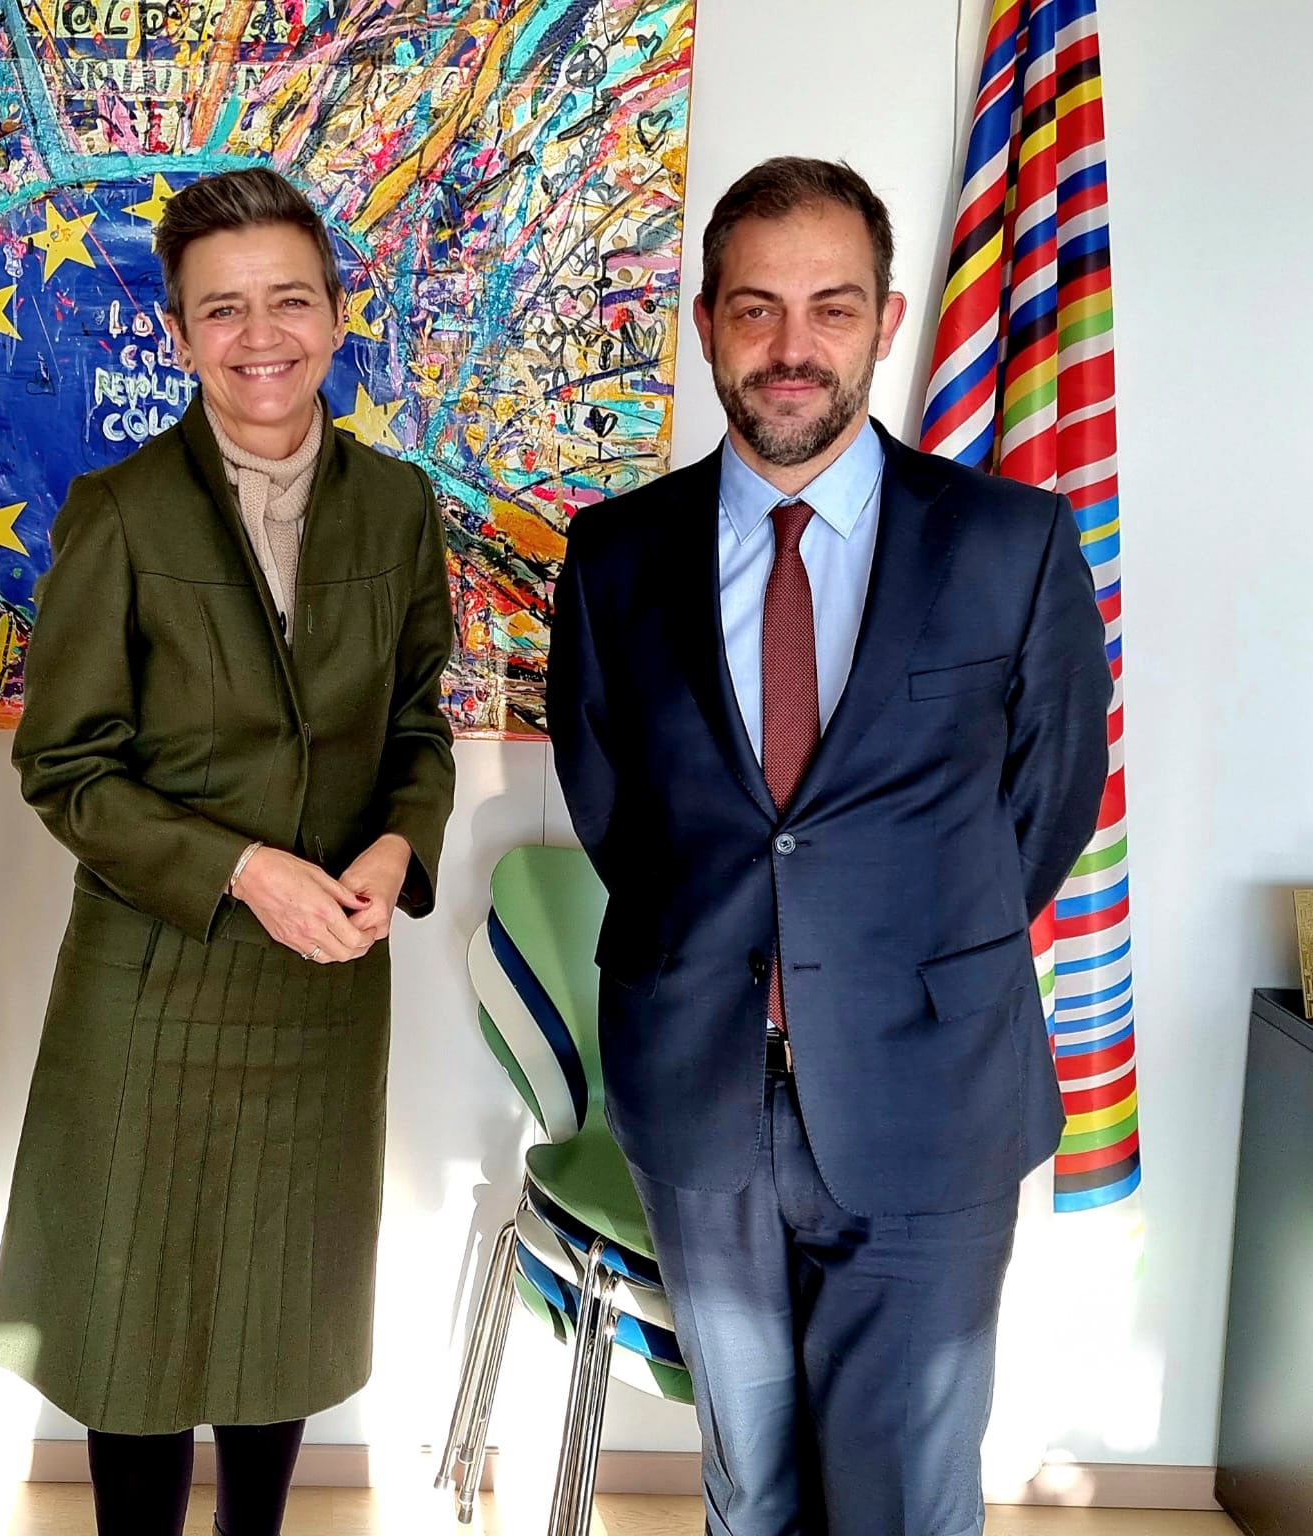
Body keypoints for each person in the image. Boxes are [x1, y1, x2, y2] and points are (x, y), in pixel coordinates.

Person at [548, 158, 1112, 1535]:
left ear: (890, 318)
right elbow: (616, 804)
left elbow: (1044, 809)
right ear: (704, 325)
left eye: (831, 307)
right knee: (751, 1493)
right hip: (704, 1100)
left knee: (906, 1502)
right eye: (756, 309)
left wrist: (886, 958)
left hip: (934, 1094)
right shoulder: (613, 556)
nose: (793, 347)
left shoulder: (1011, 544)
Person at [0, 166, 457, 1534]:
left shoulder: (400, 506)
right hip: (154, 986)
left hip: (320, 992)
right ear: (180, 336)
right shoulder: (119, 513)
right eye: (223, 310)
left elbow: (421, 727)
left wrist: (392, 854)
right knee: (134, 1339)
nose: (262, 338)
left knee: (277, 1321)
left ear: (335, 313)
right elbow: (63, 769)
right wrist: (243, 869)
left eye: (289, 301)